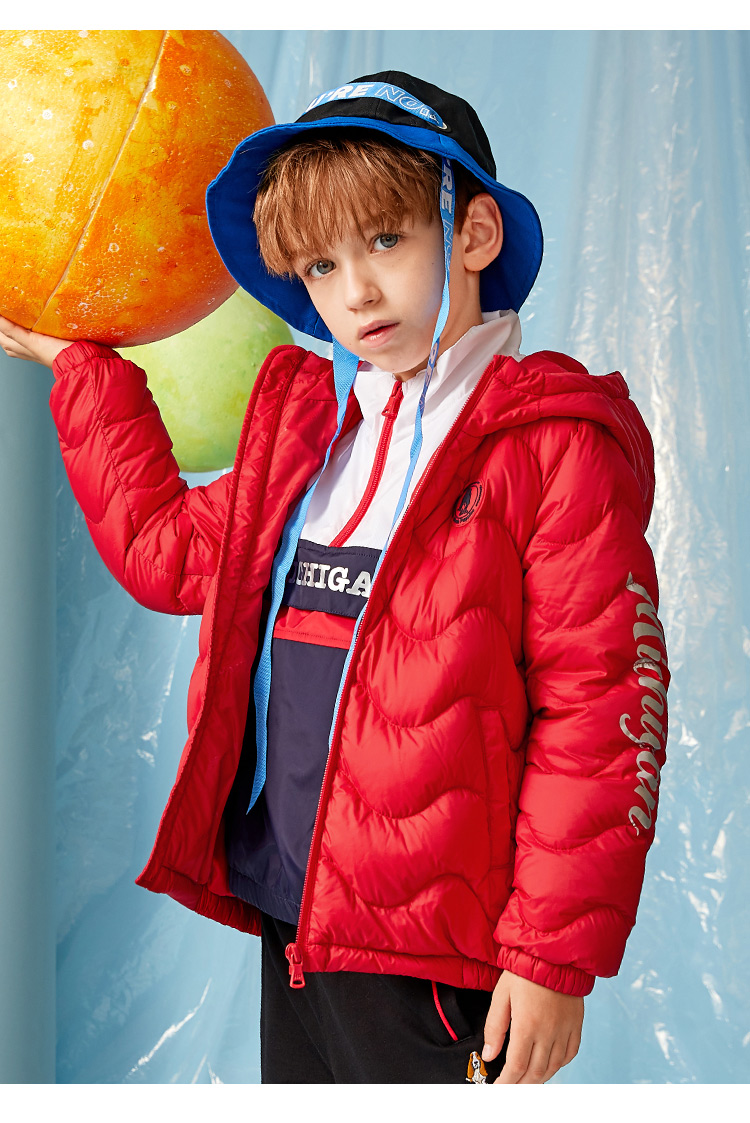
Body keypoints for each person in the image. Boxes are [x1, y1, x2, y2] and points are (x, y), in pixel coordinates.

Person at [0, 71, 669, 1084]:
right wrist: (84, 374)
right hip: (299, 915)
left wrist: (551, 958)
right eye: (320, 264)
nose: (355, 292)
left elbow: (602, 712)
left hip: (435, 954)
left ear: (474, 232)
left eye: (386, 240)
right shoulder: (314, 439)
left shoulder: (552, 447)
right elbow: (167, 554)